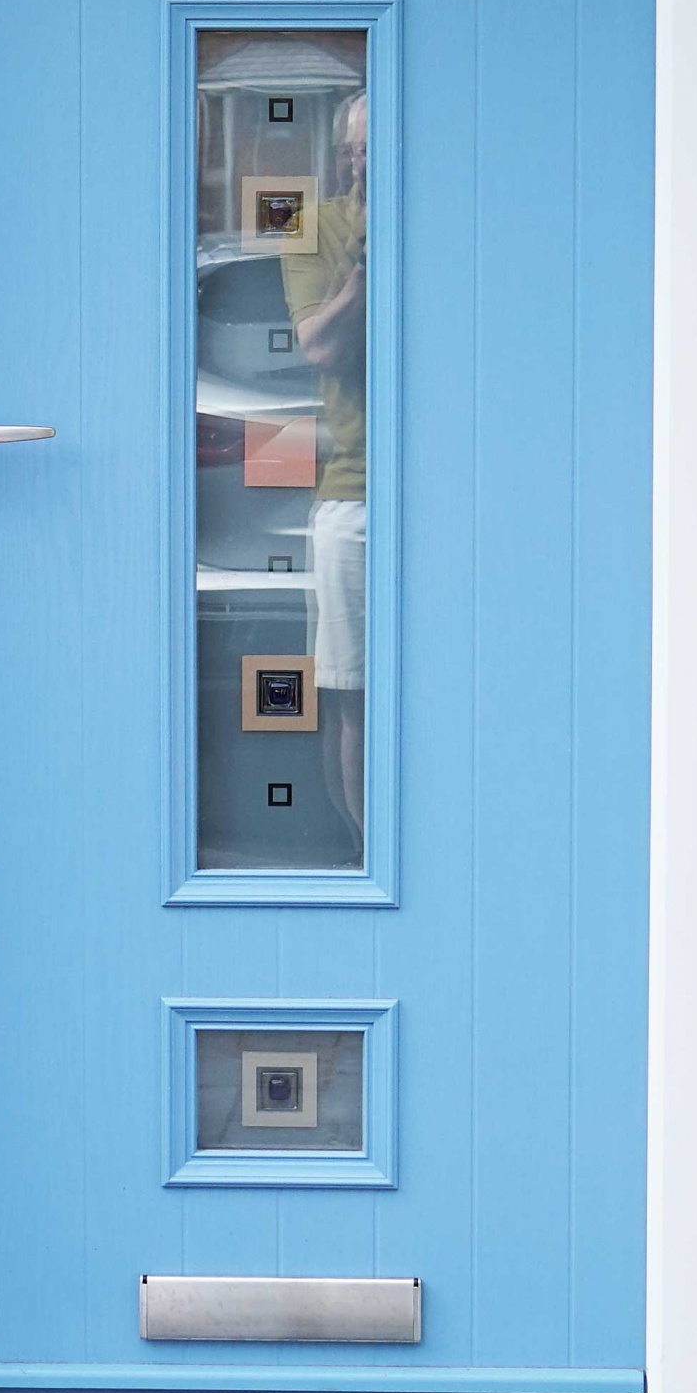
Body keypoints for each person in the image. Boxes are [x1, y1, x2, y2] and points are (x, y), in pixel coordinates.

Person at [283, 90, 367, 855]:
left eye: (375, 151)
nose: (361, 166)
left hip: (454, 489)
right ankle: (362, 854)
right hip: (354, 493)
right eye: (352, 152)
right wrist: (363, 272)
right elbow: (320, 348)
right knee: (351, 694)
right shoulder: (315, 227)